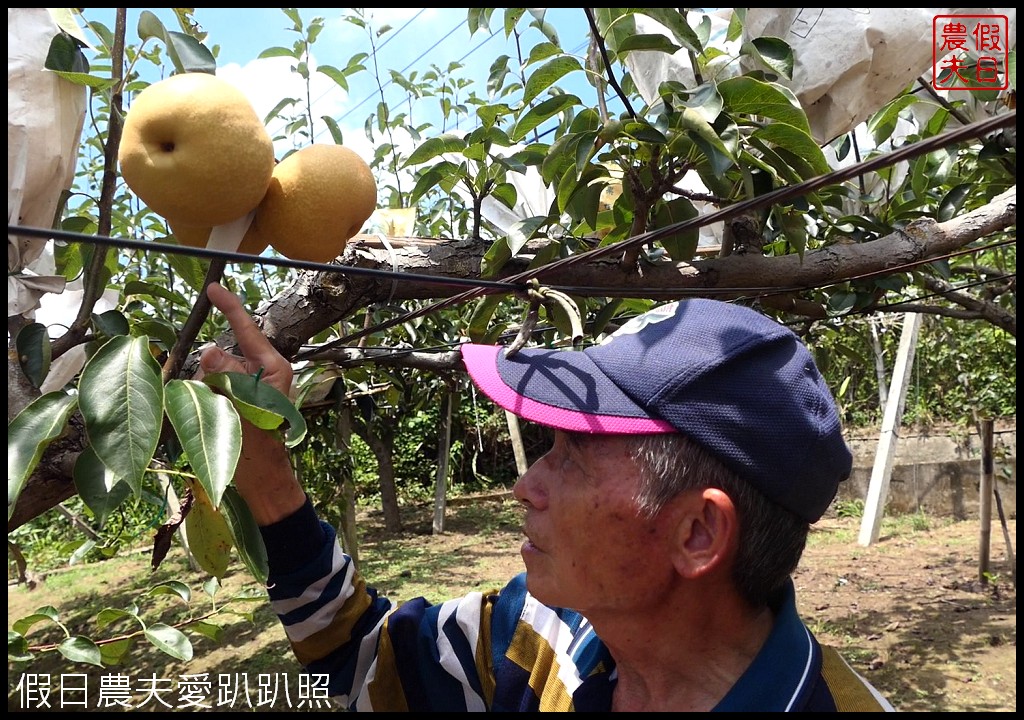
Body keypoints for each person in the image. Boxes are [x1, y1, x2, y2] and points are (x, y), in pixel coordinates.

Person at [200, 281, 896, 712]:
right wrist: (271, 488)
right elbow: (365, 665)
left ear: (698, 534)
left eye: (574, 453)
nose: (525, 485)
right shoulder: (545, 633)